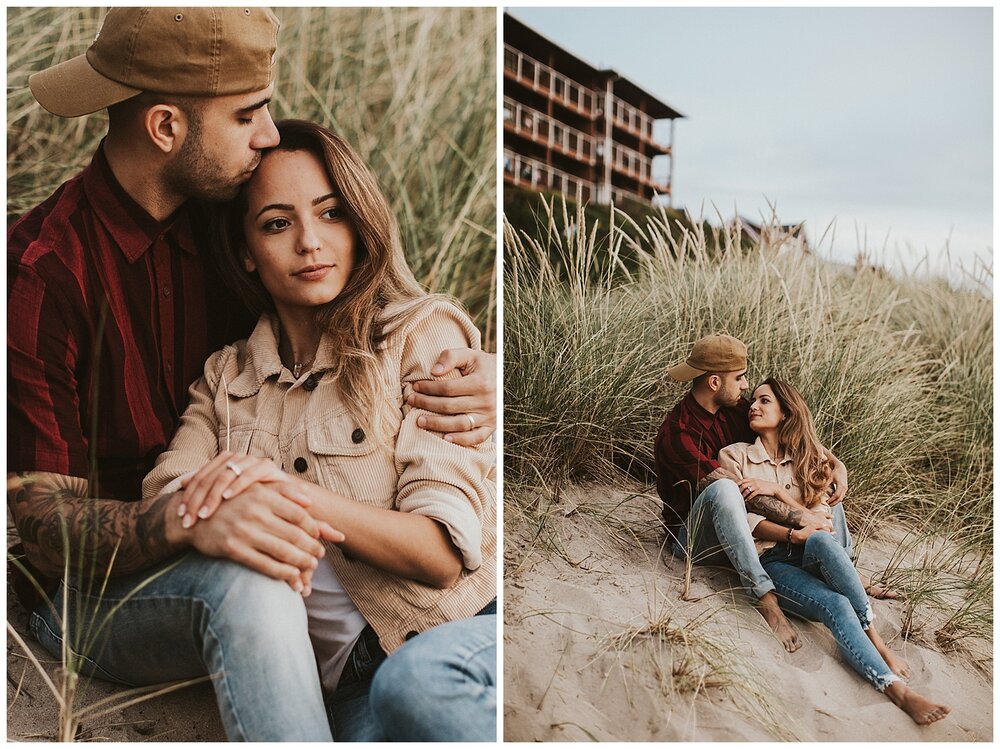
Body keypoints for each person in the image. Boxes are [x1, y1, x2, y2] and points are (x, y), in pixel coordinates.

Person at [7, 8, 495, 741]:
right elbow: (40, 522)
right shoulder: (43, 274)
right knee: (254, 588)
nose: (267, 133)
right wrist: (189, 516)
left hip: (382, 605)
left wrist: (486, 371)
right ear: (167, 128)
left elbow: (372, 296)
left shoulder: (224, 205)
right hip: (103, 583)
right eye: (248, 114)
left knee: (411, 688)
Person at [142, 118, 496, 740]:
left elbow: (439, 555)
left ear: (359, 224)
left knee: (418, 687)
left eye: (330, 213)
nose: (310, 241)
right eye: (277, 224)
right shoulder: (226, 377)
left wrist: (282, 495)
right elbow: (165, 496)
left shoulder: (421, 338)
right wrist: (207, 510)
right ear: (247, 251)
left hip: (457, 638)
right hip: (343, 689)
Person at [717, 378, 949, 726]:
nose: (754, 406)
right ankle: (896, 689)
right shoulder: (735, 456)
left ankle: (874, 638)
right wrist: (794, 531)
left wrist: (777, 494)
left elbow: (822, 525)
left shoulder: (808, 460)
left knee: (824, 541)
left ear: (785, 413)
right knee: (837, 605)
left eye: (765, 401)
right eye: (753, 400)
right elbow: (747, 523)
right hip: (774, 561)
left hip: (814, 551)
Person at [653, 334, 850, 652]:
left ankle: (844, 566)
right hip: (694, 538)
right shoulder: (679, 433)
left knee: (821, 484)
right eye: (740, 378)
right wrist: (802, 518)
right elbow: (744, 494)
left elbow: (789, 433)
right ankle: (765, 597)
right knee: (725, 489)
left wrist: (835, 464)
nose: (746, 386)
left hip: (746, 529)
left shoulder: (732, 409)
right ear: (715, 382)